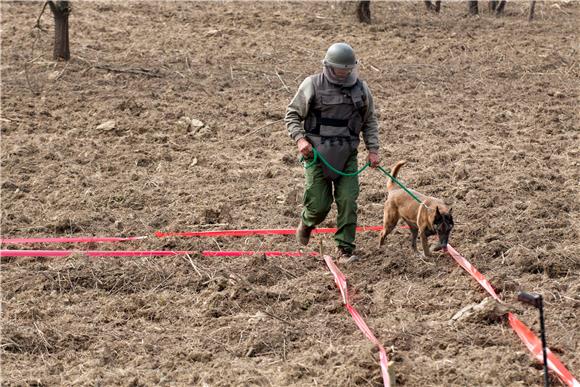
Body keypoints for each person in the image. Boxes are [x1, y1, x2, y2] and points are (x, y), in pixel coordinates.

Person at [284, 42, 380, 263]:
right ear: (329, 66)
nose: (344, 73)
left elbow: (370, 121)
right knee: (319, 205)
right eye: (340, 69)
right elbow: (291, 115)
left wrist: (373, 149)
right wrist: (300, 139)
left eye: (348, 69)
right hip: (316, 156)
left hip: (347, 155)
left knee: (348, 200)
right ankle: (307, 222)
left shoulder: (361, 89)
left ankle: (345, 248)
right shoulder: (312, 85)